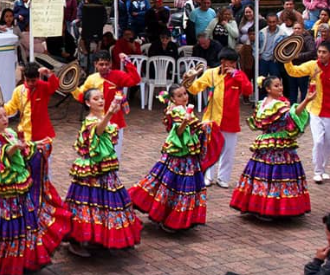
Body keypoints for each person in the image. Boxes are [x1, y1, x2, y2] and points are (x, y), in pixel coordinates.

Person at [0, 106, 69, 273]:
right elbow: (1, 153)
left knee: (22, 218)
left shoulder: (10, 132)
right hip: (3, 185)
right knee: (2, 219)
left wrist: (36, 144)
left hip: (18, 181)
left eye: (5, 115)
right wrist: (16, 147)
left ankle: (22, 258)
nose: (4, 119)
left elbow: (21, 148)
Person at [129, 84, 222, 232]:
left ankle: (173, 217)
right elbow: (178, 131)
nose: (184, 97)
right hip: (179, 154)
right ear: (172, 98)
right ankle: (171, 218)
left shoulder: (183, 109)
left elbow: (193, 127)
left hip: (187, 154)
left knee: (170, 183)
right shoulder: (177, 111)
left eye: (185, 94)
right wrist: (189, 122)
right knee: (175, 184)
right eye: (179, 95)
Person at [64, 88, 141, 256]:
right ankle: (77, 241)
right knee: (88, 204)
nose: (100, 101)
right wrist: (109, 114)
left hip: (105, 168)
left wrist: (109, 115)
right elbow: (98, 131)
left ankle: (102, 238)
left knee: (107, 202)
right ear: (87, 103)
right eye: (96, 99)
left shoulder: (101, 118)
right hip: (92, 170)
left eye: (101, 98)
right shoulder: (90, 120)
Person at [230, 75, 315, 219]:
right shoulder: (272, 105)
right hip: (274, 142)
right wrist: (306, 100)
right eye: (276, 86)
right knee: (272, 173)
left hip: (272, 143)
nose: (280, 88)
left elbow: (289, 116)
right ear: (268, 89)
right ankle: (269, 207)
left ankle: (266, 206)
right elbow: (291, 116)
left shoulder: (271, 104)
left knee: (268, 172)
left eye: (280, 85)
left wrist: (306, 100)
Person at [285, 42, 330, 183]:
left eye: (324, 52)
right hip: (315, 111)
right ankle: (317, 171)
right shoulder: (312, 65)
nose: (321, 54)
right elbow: (293, 71)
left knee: (329, 143)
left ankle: (323, 169)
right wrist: (286, 60)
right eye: (319, 51)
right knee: (319, 141)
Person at [188, 48, 251, 188]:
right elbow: (194, 89)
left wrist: (237, 75)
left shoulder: (238, 75)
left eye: (235, 62)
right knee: (209, 150)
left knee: (228, 151)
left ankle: (223, 178)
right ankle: (208, 177)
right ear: (222, 61)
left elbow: (248, 90)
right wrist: (188, 79)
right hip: (211, 118)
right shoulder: (210, 74)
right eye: (230, 62)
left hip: (230, 120)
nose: (232, 65)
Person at [74, 51, 142, 157]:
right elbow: (82, 96)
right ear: (95, 64)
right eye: (101, 64)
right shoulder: (91, 79)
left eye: (107, 64)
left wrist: (127, 62)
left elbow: (135, 80)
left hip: (115, 121)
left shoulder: (118, 75)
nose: (104, 67)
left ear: (110, 64)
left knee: (114, 154)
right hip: (97, 121)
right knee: (97, 153)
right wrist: (71, 88)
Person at [3, 63, 59, 143]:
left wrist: (49, 74)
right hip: (25, 132)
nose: (30, 83)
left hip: (42, 132)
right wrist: (2, 107)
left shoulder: (43, 87)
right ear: (24, 77)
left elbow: (54, 86)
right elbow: (12, 107)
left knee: (43, 155)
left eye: (33, 81)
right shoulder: (18, 90)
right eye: (27, 80)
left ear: (38, 77)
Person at [258, 14, 290, 91]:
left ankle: (276, 98)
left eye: (274, 22)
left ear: (277, 21)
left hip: (274, 60)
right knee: (261, 81)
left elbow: (286, 48)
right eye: (270, 22)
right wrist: (258, 54)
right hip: (263, 59)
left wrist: (279, 56)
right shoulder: (261, 32)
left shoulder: (283, 34)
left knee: (276, 80)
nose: (272, 24)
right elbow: (256, 45)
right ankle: (262, 99)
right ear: (267, 22)